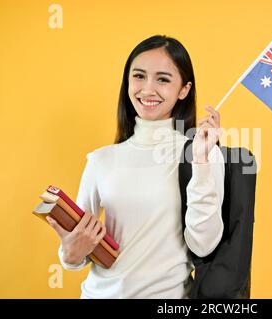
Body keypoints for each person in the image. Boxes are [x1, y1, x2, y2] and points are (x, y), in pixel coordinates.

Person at [45, 34, 225, 298]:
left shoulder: (202, 152)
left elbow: (203, 244)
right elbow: (79, 250)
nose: (148, 89)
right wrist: (69, 254)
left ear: (184, 90)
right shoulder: (100, 160)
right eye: (139, 76)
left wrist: (201, 162)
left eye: (163, 79)